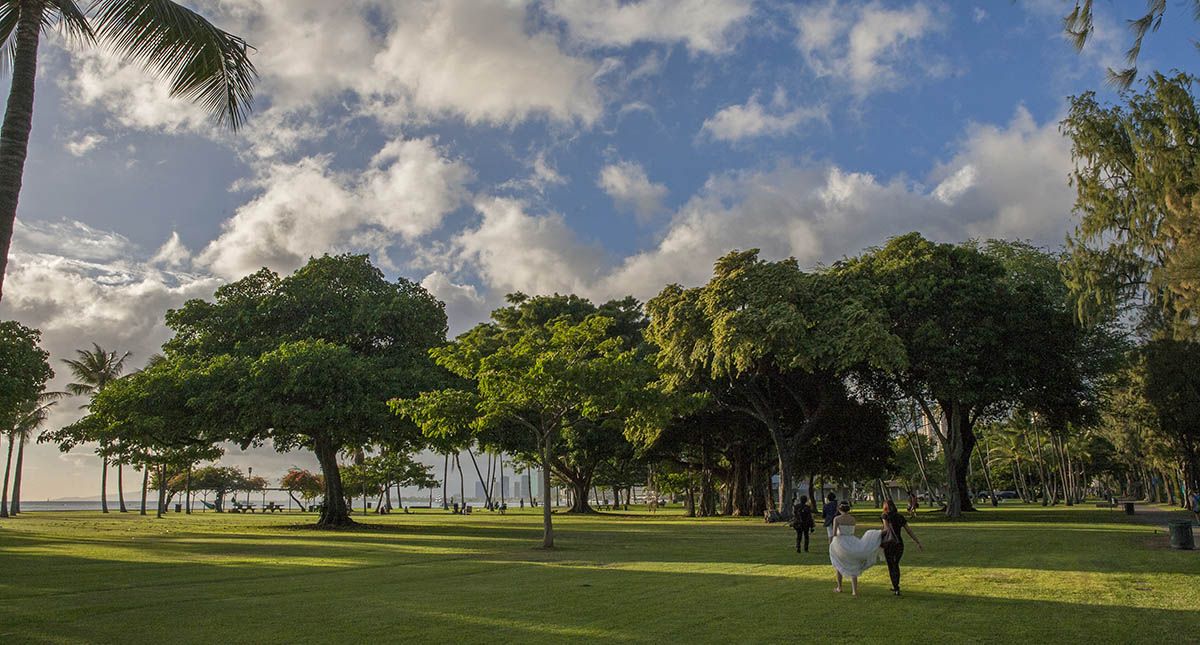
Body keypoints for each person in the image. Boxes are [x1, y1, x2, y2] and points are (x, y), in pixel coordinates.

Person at [829, 501, 882, 596]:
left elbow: (834, 534)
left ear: (839, 509)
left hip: (840, 541)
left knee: (839, 563)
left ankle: (839, 587)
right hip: (852, 540)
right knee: (853, 563)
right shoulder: (853, 519)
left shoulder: (837, 519)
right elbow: (852, 531)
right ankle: (854, 590)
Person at [881, 499, 924, 596]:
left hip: (889, 544)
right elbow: (909, 531)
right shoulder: (900, 517)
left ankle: (896, 587)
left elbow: (886, 529)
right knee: (896, 564)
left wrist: (875, 535)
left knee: (891, 565)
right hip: (899, 543)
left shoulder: (885, 516)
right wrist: (917, 542)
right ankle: (896, 586)